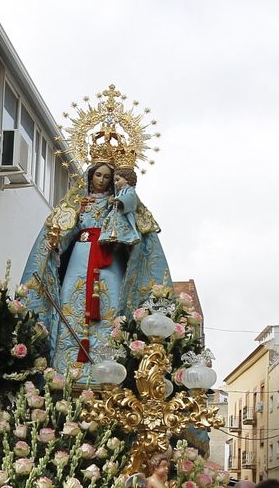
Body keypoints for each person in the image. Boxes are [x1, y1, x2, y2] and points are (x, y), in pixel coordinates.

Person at [20, 160, 172, 374]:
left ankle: (108, 367)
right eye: (98, 175)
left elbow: (132, 225)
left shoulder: (116, 203)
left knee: (112, 304)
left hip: (109, 259)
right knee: (71, 301)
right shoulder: (79, 203)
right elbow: (66, 231)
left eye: (107, 177)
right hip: (80, 260)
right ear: (90, 176)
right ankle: (68, 366)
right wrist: (55, 244)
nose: (101, 180)